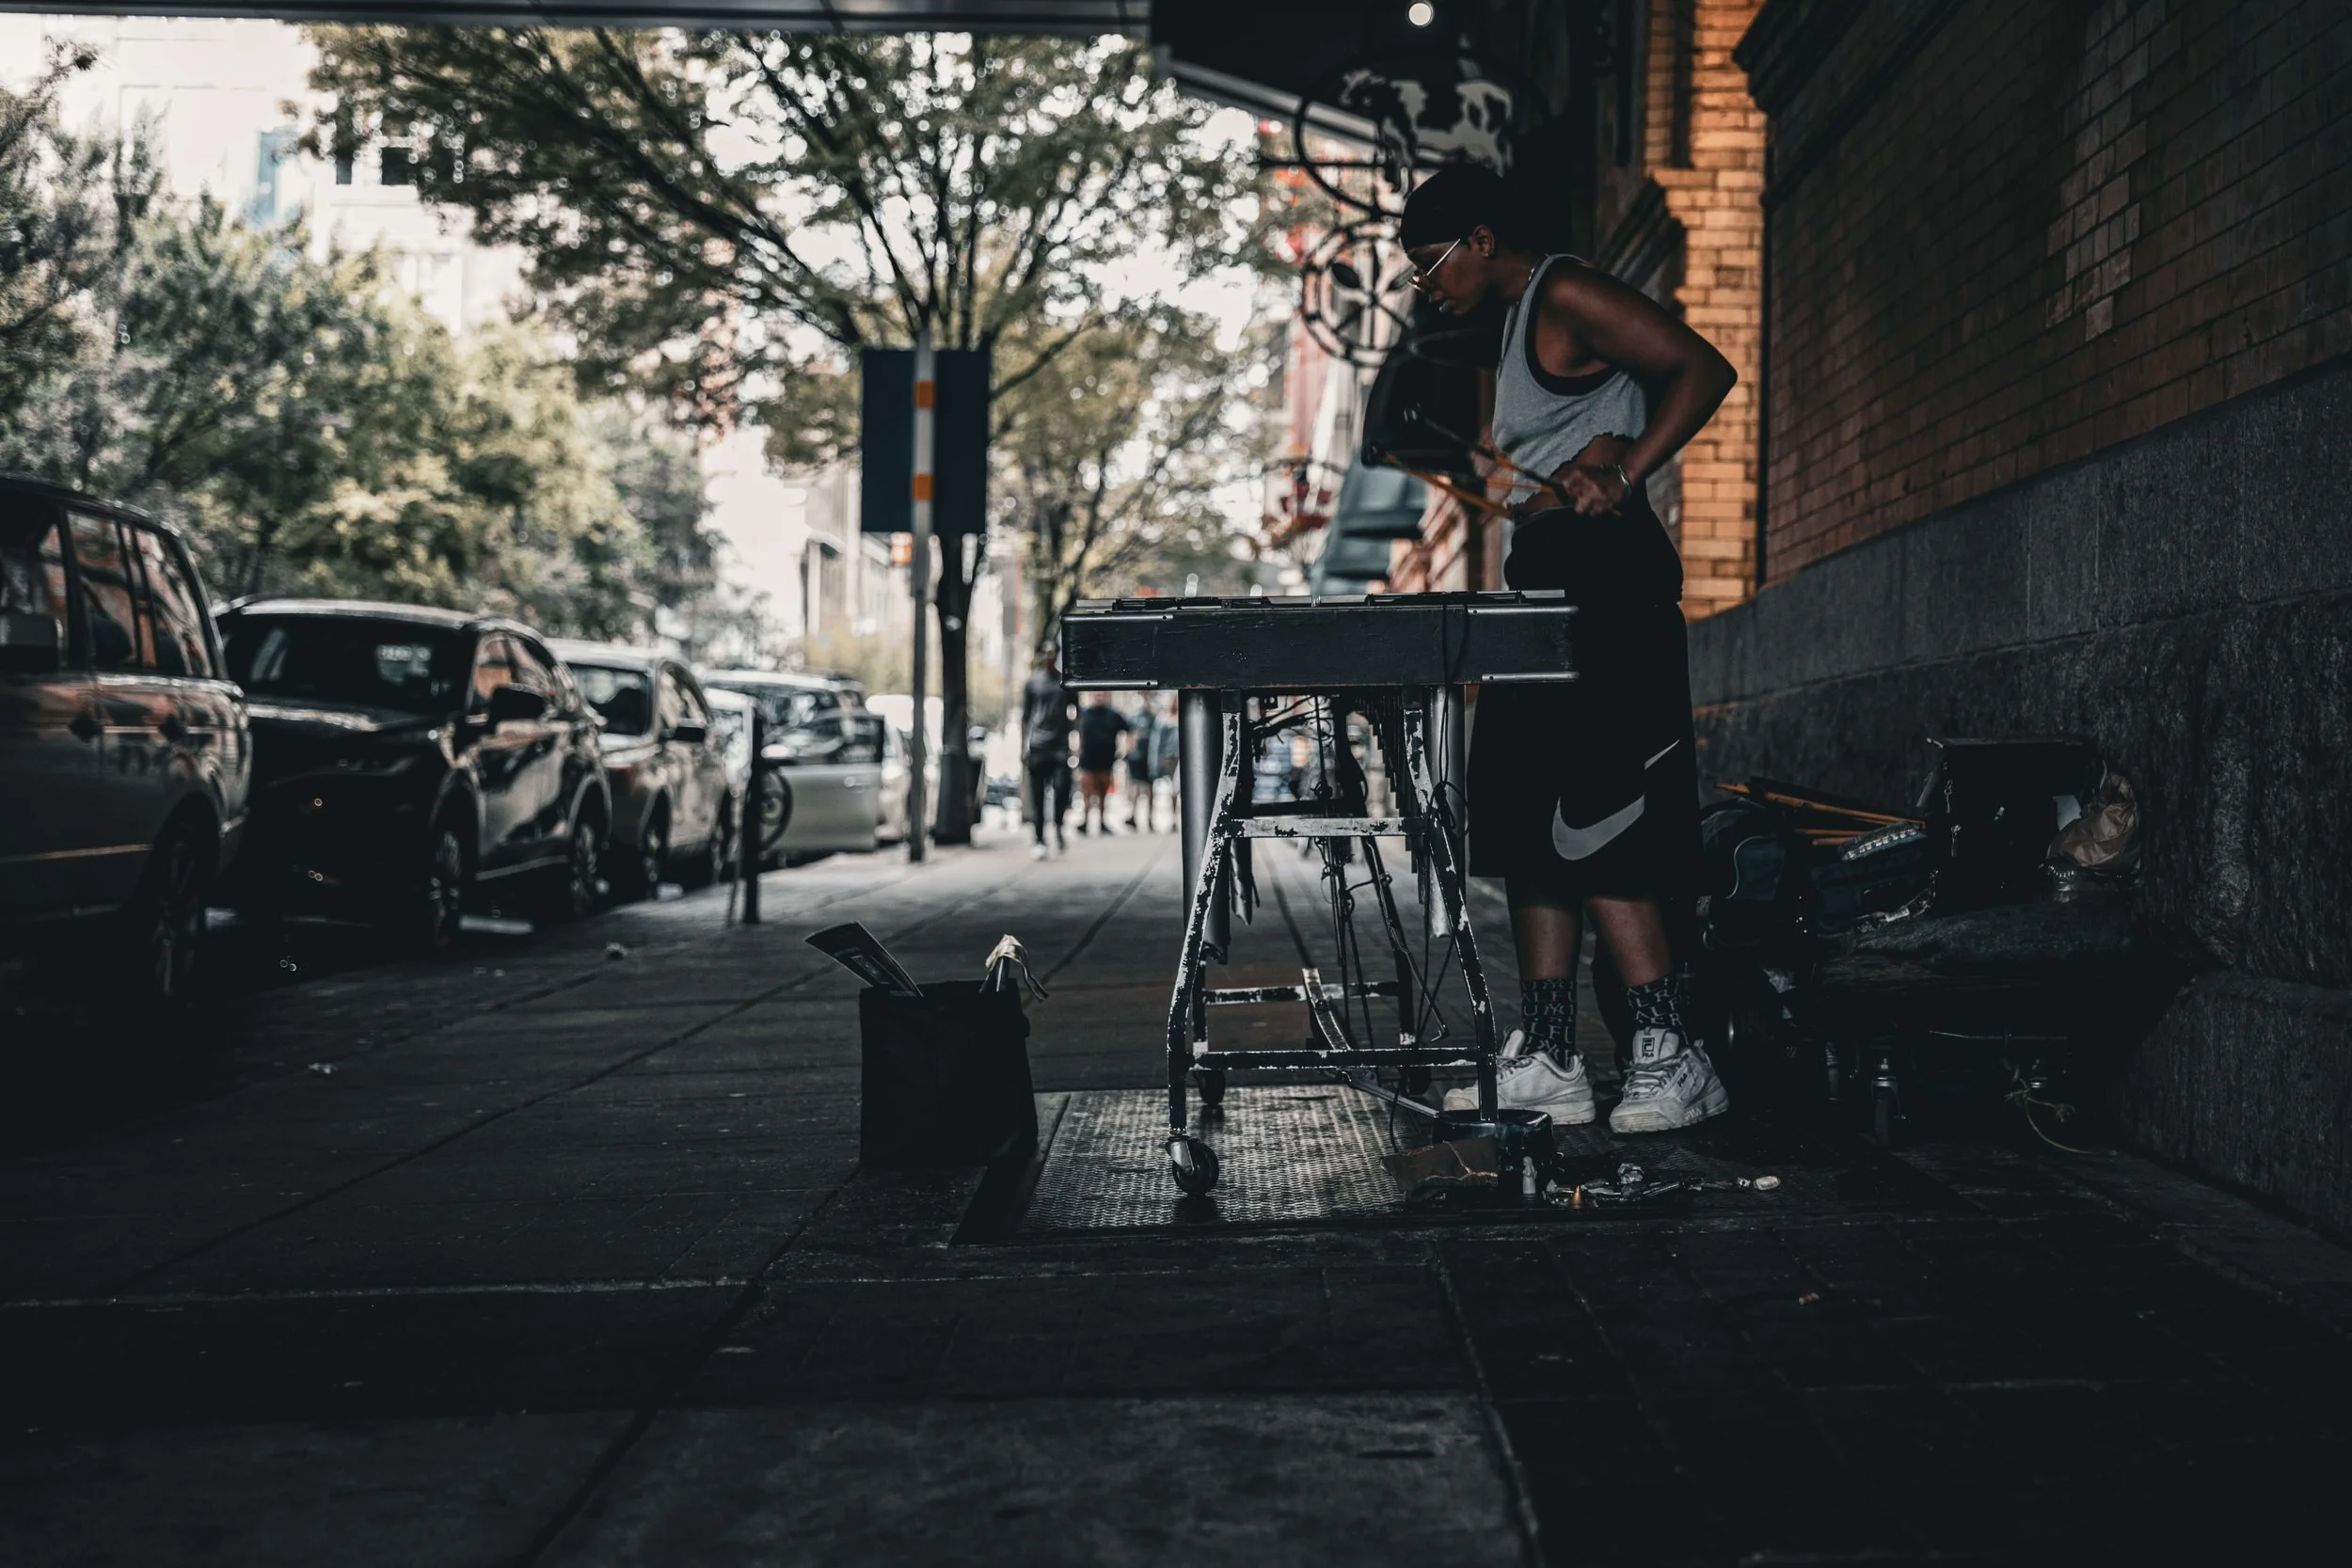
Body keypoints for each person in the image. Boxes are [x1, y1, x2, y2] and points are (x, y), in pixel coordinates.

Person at [1403, 165, 1738, 1135]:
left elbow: (1701, 367)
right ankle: (1550, 1056)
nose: (1427, 287)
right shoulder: (1514, 322)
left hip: (1606, 582)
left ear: (1477, 237)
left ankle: (1670, 1055)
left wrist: (1628, 470)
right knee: (1523, 827)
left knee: (1599, 821)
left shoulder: (1565, 288)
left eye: (1431, 265)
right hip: (1544, 590)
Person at [1019, 642, 1076, 860]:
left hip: (1060, 747)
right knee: (1038, 795)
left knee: (1062, 789)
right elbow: (1025, 717)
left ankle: (1059, 825)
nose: (1050, 657)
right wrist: (1023, 746)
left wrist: (1077, 743)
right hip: (1038, 746)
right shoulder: (1033, 683)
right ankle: (1039, 838)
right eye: (1047, 653)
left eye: (1054, 653)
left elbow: (1076, 714)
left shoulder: (1065, 681)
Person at [1073, 690, 1129, 835]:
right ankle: (1085, 822)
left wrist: (1125, 750)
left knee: (1103, 794)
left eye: (1101, 694)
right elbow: (1077, 734)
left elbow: (1128, 730)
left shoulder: (1113, 715)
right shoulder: (1085, 714)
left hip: (1106, 762)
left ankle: (1102, 822)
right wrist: (1076, 751)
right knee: (1087, 793)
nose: (1098, 697)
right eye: (1096, 694)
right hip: (1087, 761)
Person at [1121, 697, 1162, 832]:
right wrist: (1129, 752)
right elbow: (1130, 736)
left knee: (1148, 790)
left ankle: (1148, 818)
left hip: (1147, 757)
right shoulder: (1134, 717)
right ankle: (1134, 816)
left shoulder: (1152, 717)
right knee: (1136, 790)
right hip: (1137, 758)